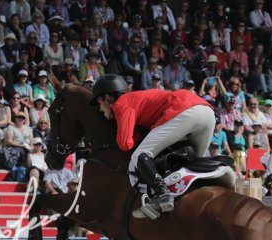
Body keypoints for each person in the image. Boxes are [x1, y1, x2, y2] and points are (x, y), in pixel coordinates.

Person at [90, 74, 215, 218]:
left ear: (108, 98)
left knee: (139, 156)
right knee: (194, 167)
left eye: (99, 103)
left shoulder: (121, 103)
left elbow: (125, 144)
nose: (100, 109)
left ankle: (163, 194)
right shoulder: (135, 99)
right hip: (207, 112)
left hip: (185, 110)